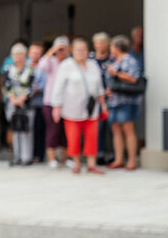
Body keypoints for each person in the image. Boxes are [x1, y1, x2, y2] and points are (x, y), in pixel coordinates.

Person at [51, 37, 108, 174]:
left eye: (84, 49)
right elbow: (58, 87)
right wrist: (56, 107)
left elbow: (99, 86)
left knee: (92, 136)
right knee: (73, 137)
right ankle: (76, 163)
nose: (81, 52)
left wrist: (103, 105)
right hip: (72, 108)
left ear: (88, 51)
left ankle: (91, 164)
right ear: (72, 51)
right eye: (78, 49)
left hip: (91, 107)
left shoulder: (93, 64)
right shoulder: (66, 65)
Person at [105, 34, 142, 170]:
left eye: (112, 46)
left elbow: (133, 78)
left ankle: (132, 161)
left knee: (128, 130)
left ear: (118, 47)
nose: (110, 48)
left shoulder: (129, 60)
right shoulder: (115, 61)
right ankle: (119, 159)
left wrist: (116, 74)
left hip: (127, 100)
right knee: (116, 130)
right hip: (114, 100)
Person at [38, 36, 71, 167]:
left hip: (68, 102)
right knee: (53, 131)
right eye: (59, 48)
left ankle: (66, 158)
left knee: (66, 132)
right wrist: (52, 51)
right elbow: (41, 65)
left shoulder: (70, 62)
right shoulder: (50, 61)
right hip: (50, 102)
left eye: (64, 48)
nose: (61, 51)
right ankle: (52, 159)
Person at [2, 42, 36, 165]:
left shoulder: (30, 69)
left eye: (21, 54)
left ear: (25, 56)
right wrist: (13, 98)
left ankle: (27, 157)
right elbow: (6, 86)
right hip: (13, 104)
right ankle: (17, 157)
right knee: (15, 130)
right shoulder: (9, 69)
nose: (19, 57)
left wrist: (23, 98)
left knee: (27, 130)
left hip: (26, 104)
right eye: (16, 54)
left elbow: (32, 87)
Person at [91, 32, 113, 164]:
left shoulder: (112, 59)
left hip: (110, 97)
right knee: (97, 127)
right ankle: (99, 153)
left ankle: (112, 154)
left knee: (111, 126)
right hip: (94, 99)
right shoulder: (90, 59)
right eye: (97, 42)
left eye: (102, 42)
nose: (99, 45)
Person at [28, 41, 47, 162]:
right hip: (26, 104)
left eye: (38, 53)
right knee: (27, 130)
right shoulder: (23, 65)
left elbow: (44, 85)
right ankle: (27, 154)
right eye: (33, 52)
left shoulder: (44, 66)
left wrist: (31, 90)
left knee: (39, 130)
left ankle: (39, 155)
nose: (35, 55)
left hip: (39, 103)